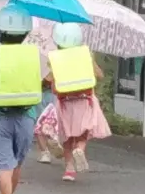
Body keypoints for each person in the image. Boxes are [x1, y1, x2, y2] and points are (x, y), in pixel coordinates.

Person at [0, 4, 45, 194]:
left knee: (4, 165)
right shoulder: (34, 54)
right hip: (27, 116)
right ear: (25, 32)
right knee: (16, 164)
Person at [47, 23, 111, 181]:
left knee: (67, 137)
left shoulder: (55, 58)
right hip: (85, 100)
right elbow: (99, 75)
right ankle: (80, 149)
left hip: (65, 103)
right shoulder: (86, 55)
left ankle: (69, 170)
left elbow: (52, 84)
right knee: (83, 133)